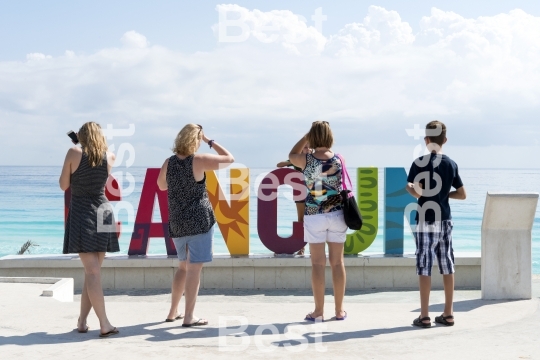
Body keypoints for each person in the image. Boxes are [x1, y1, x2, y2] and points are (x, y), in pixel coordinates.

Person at [157, 124, 234, 327]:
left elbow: (161, 185)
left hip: (177, 221)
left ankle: (173, 312)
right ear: (196, 140)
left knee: (182, 268)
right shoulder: (198, 160)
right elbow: (229, 159)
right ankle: (189, 316)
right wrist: (210, 141)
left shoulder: (169, 162)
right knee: (194, 270)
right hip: (199, 220)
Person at [60, 122, 120, 337]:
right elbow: (97, 171)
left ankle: (104, 323)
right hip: (103, 212)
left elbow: (63, 184)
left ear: (81, 135)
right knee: (92, 272)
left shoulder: (73, 152)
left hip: (82, 213)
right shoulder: (110, 156)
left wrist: (78, 148)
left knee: (92, 272)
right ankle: (82, 321)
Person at [405, 120, 466, 328]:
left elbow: (415, 191)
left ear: (426, 140)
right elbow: (462, 194)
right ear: (445, 140)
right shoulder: (451, 164)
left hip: (425, 219)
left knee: (425, 266)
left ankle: (424, 316)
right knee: (447, 265)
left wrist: (413, 189)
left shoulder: (419, 163)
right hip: (445, 219)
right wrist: (443, 194)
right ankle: (448, 313)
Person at [289, 121, 347, 322]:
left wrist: (307, 135)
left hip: (314, 214)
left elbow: (291, 154)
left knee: (317, 264)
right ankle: (339, 311)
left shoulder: (306, 159)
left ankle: (318, 311)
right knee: (338, 263)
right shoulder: (339, 159)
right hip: (338, 213)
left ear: (312, 136)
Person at [276, 144, 313, 256]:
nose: (307, 149)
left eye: (309, 147)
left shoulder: (315, 159)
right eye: (305, 147)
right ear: (301, 149)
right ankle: (301, 248)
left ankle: (314, 248)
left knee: (314, 221)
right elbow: (279, 165)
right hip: (300, 193)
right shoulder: (296, 160)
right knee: (301, 220)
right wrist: (291, 162)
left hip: (314, 193)